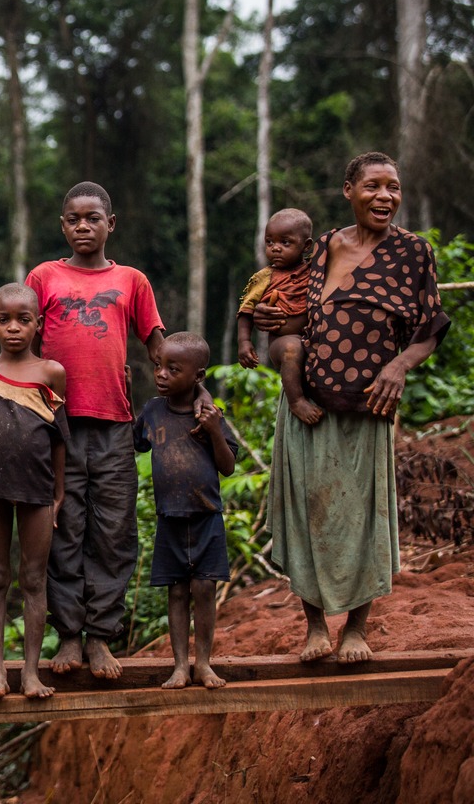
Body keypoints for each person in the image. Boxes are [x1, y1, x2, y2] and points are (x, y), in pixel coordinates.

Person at [256, 152, 449, 663]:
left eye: (393, 187)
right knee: (306, 512)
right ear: (348, 190)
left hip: (368, 407)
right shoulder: (319, 249)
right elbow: (283, 309)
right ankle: (315, 626)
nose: (385, 196)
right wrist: (273, 324)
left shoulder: (413, 253)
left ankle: (357, 630)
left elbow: (429, 329)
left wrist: (398, 366)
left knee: (364, 514)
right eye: (373, 186)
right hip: (307, 409)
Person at [27, 181, 193, 681]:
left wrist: (191, 391)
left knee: (113, 532)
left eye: (93, 218)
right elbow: (20, 340)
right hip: (55, 424)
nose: (83, 226)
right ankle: (69, 636)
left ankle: (101, 636)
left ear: (110, 223)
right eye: (74, 218)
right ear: (63, 225)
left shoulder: (132, 281)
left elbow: (158, 345)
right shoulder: (43, 277)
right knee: (62, 528)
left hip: (115, 425)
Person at [0, 283, 68, 701]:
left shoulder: (51, 373)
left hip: (38, 489)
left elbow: (60, 439)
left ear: (38, 324)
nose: (14, 328)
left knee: (34, 578)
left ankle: (32, 673)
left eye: (24, 320)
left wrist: (59, 492)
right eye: (4, 320)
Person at [135, 332, 237, 690]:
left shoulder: (210, 415)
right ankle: (180, 666)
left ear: (198, 376)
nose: (161, 374)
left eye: (172, 369)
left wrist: (213, 431)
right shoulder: (151, 411)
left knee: (204, 589)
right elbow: (133, 444)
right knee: (176, 592)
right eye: (158, 366)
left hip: (206, 516)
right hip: (169, 518)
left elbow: (228, 467)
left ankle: (204, 663)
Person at [237, 208, 318, 423]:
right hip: (281, 342)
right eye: (270, 242)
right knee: (292, 350)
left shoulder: (315, 272)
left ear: (306, 246)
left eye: (285, 243)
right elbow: (246, 310)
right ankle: (296, 401)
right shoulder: (264, 277)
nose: (275, 249)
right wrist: (244, 342)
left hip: (312, 337)